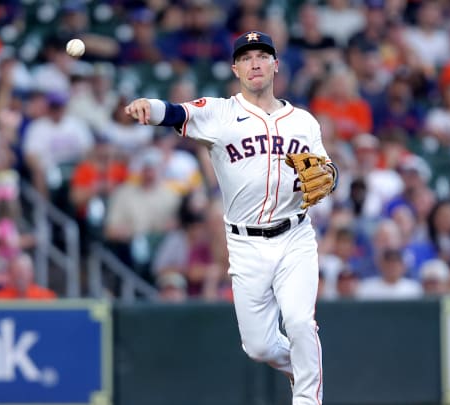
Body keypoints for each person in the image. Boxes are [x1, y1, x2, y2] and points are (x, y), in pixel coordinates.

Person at [125, 31, 338, 405]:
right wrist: (149, 105)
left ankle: (308, 397)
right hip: (245, 243)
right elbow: (176, 112)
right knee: (258, 347)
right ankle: (305, 368)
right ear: (235, 68)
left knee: (302, 323)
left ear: (275, 65)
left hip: (295, 236)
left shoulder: (303, 122)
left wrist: (330, 176)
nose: (255, 63)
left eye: (262, 56)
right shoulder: (221, 113)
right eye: (247, 57)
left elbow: (326, 170)